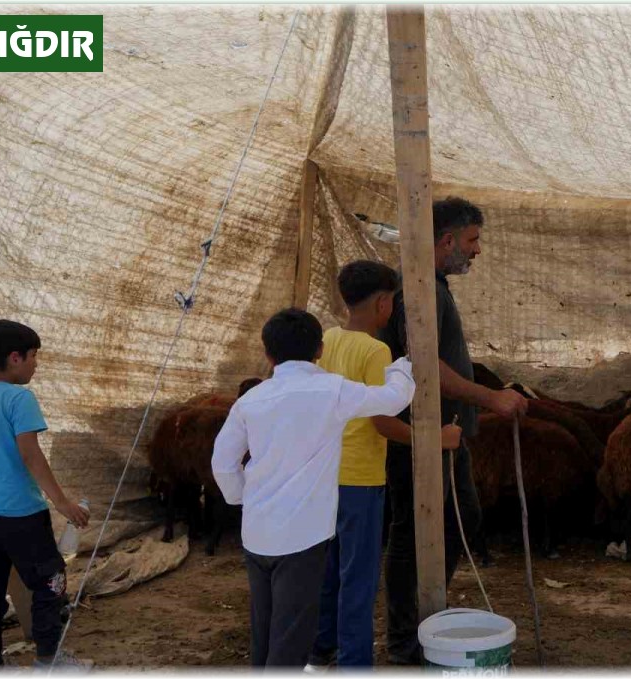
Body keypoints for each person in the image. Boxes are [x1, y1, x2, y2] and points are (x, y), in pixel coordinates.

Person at [212, 308, 416, 668]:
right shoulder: (330, 390)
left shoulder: (251, 400)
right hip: (301, 539)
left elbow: (223, 463)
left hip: (257, 534)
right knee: (291, 639)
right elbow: (394, 398)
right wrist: (402, 367)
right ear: (319, 350)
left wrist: (244, 499)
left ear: (267, 354)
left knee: (265, 628)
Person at [379, 197, 529, 665]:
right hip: (423, 435)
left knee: (456, 517)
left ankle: (427, 623)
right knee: (413, 531)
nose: (477, 250)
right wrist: (491, 398)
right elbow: (425, 366)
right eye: (472, 240)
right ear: (446, 241)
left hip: (446, 432)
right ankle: (408, 639)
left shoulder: (434, 287)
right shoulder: (418, 290)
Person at [306, 262, 462, 670]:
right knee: (359, 578)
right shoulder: (376, 351)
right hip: (361, 479)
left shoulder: (326, 340)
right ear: (382, 303)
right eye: (392, 301)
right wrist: (433, 439)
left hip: (326, 476)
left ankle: (322, 648)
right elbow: (380, 419)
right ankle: (355, 664)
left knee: (331, 570)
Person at [0, 319, 92, 671]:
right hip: (21, 514)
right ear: (15, 358)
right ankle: (49, 661)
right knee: (50, 583)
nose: (36, 364)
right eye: (33, 356)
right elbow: (30, 453)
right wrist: (63, 502)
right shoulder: (19, 398)